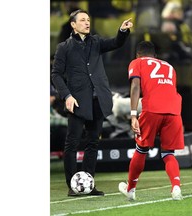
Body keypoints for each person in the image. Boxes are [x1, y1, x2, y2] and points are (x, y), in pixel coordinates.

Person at [51, 9, 133, 197]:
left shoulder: (96, 41)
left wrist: (122, 31)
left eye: (88, 19)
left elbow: (115, 43)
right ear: (73, 24)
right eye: (82, 20)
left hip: (98, 101)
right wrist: (67, 95)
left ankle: (89, 184)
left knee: (93, 144)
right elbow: (55, 75)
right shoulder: (64, 47)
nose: (87, 22)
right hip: (78, 103)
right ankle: (73, 185)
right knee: (72, 145)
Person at [118, 41, 185, 201]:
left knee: (141, 149)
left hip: (152, 109)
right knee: (168, 153)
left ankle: (131, 190)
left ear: (138, 55)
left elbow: (135, 86)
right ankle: (176, 186)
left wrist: (133, 114)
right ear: (155, 55)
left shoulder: (137, 62)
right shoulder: (169, 66)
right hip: (174, 110)